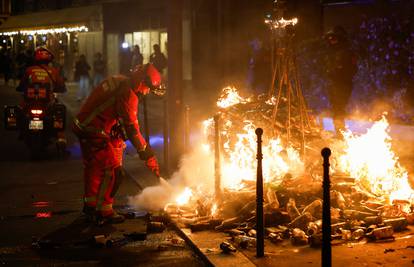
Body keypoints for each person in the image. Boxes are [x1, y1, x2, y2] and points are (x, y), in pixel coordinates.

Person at [73, 63, 162, 224]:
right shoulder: (129, 94)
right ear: (141, 82)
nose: (147, 92)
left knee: (93, 168)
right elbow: (132, 129)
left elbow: (110, 111)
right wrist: (146, 153)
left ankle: (91, 206)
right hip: (95, 131)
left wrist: (117, 137)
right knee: (113, 171)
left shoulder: (120, 81)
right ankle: (104, 211)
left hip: (85, 125)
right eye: (147, 88)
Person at [16, 47, 67, 148]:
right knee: (59, 113)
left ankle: (21, 131)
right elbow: (61, 86)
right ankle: (61, 137)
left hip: (30, 102)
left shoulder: (29, 70)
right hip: (47, 102)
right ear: (49, 59)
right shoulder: (53, 71)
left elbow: (22, 85)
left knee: (19, 111)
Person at [323, 26, 357, 134]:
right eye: (330, 38)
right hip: (335, 83)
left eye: (334, 38)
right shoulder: (332, 52)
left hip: (343, 84)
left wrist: (339, 73)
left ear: (340, 38)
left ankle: (340, 131)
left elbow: (353, 69)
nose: (331, 40)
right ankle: (339, 131)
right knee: (336, 108)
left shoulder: (347, 52)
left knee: (339, 108)